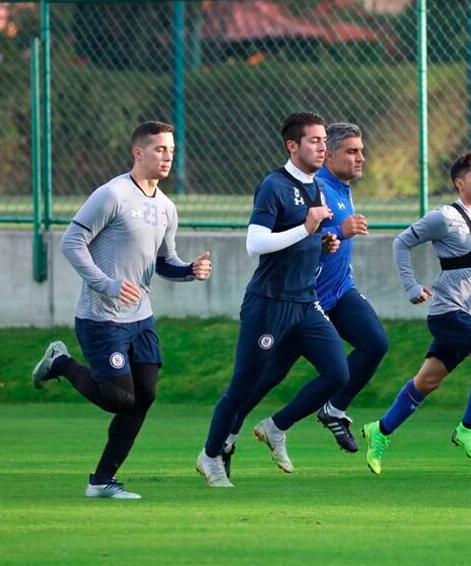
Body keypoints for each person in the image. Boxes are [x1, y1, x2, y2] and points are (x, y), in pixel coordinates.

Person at [30, 121, 212, 499]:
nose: (168, 156)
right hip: (101, 317)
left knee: (143, 396)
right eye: (160, 149)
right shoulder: (111, 194)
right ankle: (60, 362)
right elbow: (71, 242)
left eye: (171, 150)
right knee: (118, 399)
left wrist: (190, 270)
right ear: (138, 152)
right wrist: (107, 283)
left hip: (140, 318)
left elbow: (165, 261)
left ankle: (101, 481)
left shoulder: (165, 207)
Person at [221, 123, 387, 470]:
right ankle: (228, 436)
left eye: (362, 150)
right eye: (352, 151)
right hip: (301, 298)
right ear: (329, 155)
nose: (361, 158)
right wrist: (339, 230)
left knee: (374, 343)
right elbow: (301, 239)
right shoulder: (318, 187)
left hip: (339, 292)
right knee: (266, 377)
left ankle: (329, 410)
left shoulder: (341, 187)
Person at [196, 111, 347, 488]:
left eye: (324, 140)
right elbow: (255, 244)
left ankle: (276, 426)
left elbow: (305, 239)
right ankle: (211, 454)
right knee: (243, 387)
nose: (322, 146)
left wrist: (322, 242)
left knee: (337, 374)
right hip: (269, 303)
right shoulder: (273, 185)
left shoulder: (318, 187)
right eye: (314, 140)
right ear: (292, 146)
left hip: (305, 303)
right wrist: (307, 228)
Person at [360, 150, 471, 475]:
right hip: (448, 312)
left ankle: (380, 430)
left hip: (470, 315)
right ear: (460, 183)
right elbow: (400, 243)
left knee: (427, 381)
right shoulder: (443, 218)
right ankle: (468, 430)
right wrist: (411, 286)